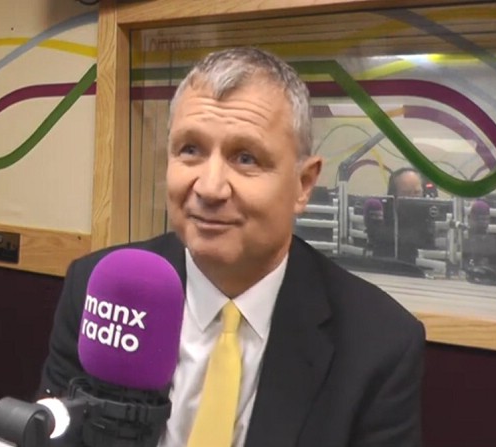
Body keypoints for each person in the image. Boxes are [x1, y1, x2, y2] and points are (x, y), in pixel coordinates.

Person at [39, 47, 425, 446]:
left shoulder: (379, 343)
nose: (210, 188)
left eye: (245, 157)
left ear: (304, 184)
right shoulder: (100, 291)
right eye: (190, 150)